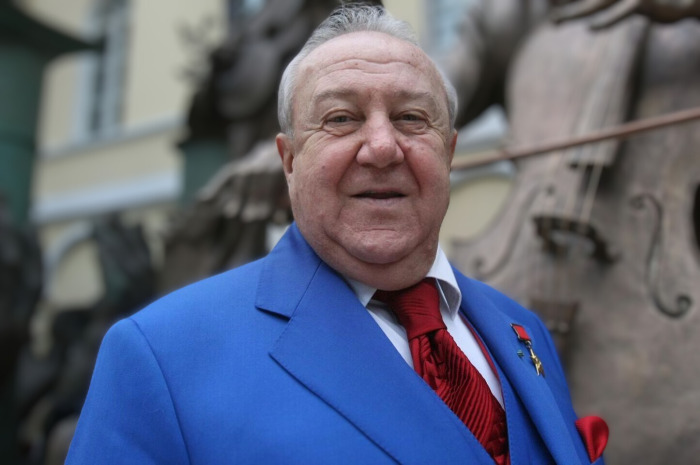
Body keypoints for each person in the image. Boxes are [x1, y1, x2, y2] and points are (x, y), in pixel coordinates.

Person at [65, 5, 607, 464]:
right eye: (341, 119)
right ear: (289, 161)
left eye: (412, 118)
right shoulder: (161, 356)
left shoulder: (523, 331)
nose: (382, 147)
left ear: (448, 153)